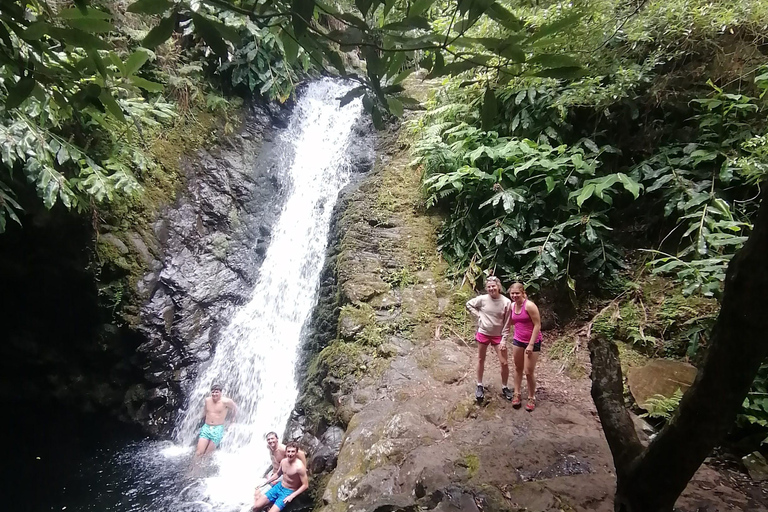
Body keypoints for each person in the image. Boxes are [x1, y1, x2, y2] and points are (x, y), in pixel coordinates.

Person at [466, 275, 513, 401]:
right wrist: (479, 315)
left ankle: (504, 386)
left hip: (498, 335)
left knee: (504, 362)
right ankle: (479, 385)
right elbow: (469, 304)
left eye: (493, 286)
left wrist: (504, 339)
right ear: (486, 288)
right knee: (481, 359)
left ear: (498, 286)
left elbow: (507, 322)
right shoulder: (482, 299)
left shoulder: (506, 302)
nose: (491, 288)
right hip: (484, 332)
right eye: (489, 287)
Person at [507, 282, 543, 412]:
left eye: (517, 293)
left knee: (528, 371)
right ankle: (516, 393)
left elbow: (537, 325)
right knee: (518, 368)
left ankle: (531, 397)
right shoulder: (512, 306)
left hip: (532, 341)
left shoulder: (530, 306)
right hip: (518, 340)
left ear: (522, 293)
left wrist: (531, 344)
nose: (514, 296)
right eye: (512, 293)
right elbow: (512, 322)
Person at [253, 441, 308, 512]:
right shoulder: (283, 461)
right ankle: (267, 506)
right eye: (288, 451)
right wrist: (266, 482)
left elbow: (305, 485)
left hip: (288, 491)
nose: (290, 454)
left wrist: (291, 496)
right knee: (256, 507)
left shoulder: (299, 467)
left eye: (292, 452)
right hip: (279, 486)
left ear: (296, 452)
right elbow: (278, 474)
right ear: (285, 452)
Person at [256, 432, 308, 496]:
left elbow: (301, 454)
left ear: (277, 439)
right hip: (274, 472)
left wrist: (304, 468)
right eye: (268, 439)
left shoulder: (282, 448)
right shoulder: (269, 446)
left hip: (281, 474)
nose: (270, 441)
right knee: (257, 490)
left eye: (272, 438)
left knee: (260, 493)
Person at [195, 383, 237, 455]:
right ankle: (194, 466)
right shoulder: (207, 400)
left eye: (217, 392)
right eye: (213, 392)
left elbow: (235, 409)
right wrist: (197, 418)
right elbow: (205, 411)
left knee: (208, 454)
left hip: (217, 429)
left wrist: (233, 420)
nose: (214, 394)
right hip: (206, 428)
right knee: (199, 452)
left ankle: (204, 466)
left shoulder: (226, 402)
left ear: (221, 392)